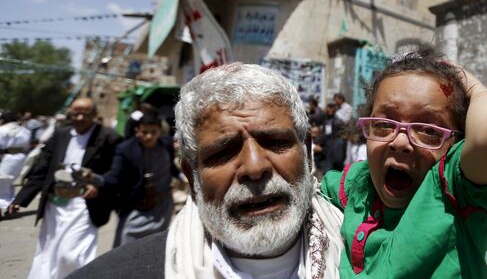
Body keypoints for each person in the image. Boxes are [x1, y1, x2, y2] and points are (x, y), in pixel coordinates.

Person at [68, 63, 344, 279]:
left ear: (307, 153)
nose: (255, 168)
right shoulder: (120, 273)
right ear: (191, 176)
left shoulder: (367, 255)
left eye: (275, 142)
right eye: (224, 152)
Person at [321, 46, 487, 277]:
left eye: (427, 129)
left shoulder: (455, 190)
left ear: (458, 142)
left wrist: (472, 85)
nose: (400, 142)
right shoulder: (359, 183)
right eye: (384, 125)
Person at [6, 98, 121, 279]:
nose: (80, 117)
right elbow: (42, 170)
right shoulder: (61, 135)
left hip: (83, 205)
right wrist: (20, 199)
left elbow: (116, 172)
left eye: (86, 113)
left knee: (72, 254)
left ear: (94, 116)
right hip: (55, 204)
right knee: (48, 252)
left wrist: (97, 185)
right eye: (76, 113)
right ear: (70, 114)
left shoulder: (108, 137)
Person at [93, 111, 185, 247]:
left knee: (156, 248)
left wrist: (182, 176)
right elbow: (114, 176)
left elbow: (170, 166)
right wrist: (96, 180)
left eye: (153, 132)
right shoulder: (125, 150)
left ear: (160, 130)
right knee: (125, 251)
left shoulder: (165, 144)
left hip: (162, 209)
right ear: (137, 130)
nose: (149, 136)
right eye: (144, 132)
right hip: (137, 211)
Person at [0, 111, 31, 211]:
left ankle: (3, 206)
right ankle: (10, 204)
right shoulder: (25, 131)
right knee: (8, 183)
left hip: (6, 158)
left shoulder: (3, 130)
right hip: (21, 159)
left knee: (2, 182)